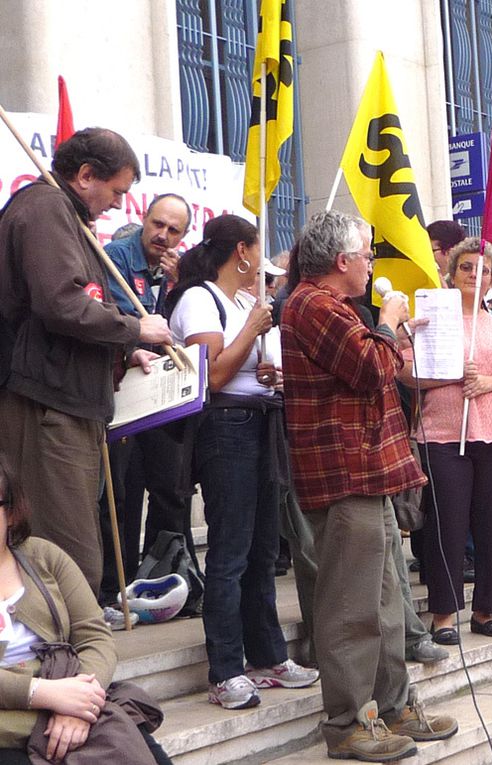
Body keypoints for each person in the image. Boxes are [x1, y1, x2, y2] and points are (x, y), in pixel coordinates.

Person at [281, 211, 456, 761]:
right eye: (366, 255)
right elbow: (371, 369)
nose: (371, 263)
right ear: (342, 261)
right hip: (341, 475)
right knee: (351, 606)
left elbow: (373, 371)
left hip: (368, 473)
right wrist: (388, 320)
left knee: (385, 602)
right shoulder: (311, 304)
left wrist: (388, 328)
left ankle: (394, 706)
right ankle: (349, 723)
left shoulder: (335, 307)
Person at [0, 127, 172, 596]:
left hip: (69, 401)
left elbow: (80, 305)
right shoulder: (46, 209)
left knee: (72, 553)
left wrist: (121, 347)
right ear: (84, 175)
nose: (118, 205)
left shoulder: (66, 215)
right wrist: (136, 329)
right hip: (47, 404)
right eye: (116, 191)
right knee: (67, 556)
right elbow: (61, 304)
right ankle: (61, 663)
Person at [165, 214, 318, 710]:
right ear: (242, 252)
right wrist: (251, 331)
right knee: (230, 552)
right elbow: (208, 376)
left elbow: (248, 369)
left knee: (260, 550)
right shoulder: (200, 299)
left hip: (262, 423)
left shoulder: (245, 302)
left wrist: (270, 374)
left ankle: (269, 656)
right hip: (225, 429)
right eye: (257, 250)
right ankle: (225, 669)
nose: (262, 266)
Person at [399, 238, 492, 645]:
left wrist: (489, 382)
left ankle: (485, 609)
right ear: (452, 274)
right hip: (443, 435)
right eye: (467, 268)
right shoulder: (431, 321)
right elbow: (406, 371)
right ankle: (443, 613)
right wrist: (456, 374)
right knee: (447, 526)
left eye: (485, 270)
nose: (476, 275)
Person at [0, 455, 173, 765]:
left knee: (140, 750)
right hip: (11, 726)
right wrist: (46, 695)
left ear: (11, 512)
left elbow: (94, 636)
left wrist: (80, 706)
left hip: (71, 696)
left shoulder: (43, 557)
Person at [99, 194, 197, 604]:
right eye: (158, 224)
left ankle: (166, 574)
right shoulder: (117, 256)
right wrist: (132, 344)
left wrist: (176, 285)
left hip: (159, 393)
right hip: (121, 387)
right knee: (117, 491)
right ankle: (111, 586)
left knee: (170, 487)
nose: (163, 235)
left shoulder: (175, 269)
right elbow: (118, 316)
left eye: (174, 230)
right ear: (144, 218)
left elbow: (175, 326)